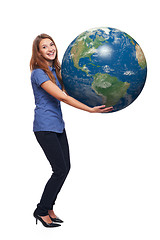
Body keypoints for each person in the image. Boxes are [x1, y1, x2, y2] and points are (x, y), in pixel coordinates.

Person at [30, 33, 113, 228]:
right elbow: (63, 97)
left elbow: (72, 90)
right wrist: (90, 110)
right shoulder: (38, 73)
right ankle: (41, 211)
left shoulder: (53, 70)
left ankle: (49, 208)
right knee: (59, 170)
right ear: (38, 52)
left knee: (65, 168)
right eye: (44, 47)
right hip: (45, 127)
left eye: (52, 44)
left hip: (58, 126)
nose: (50, 48)